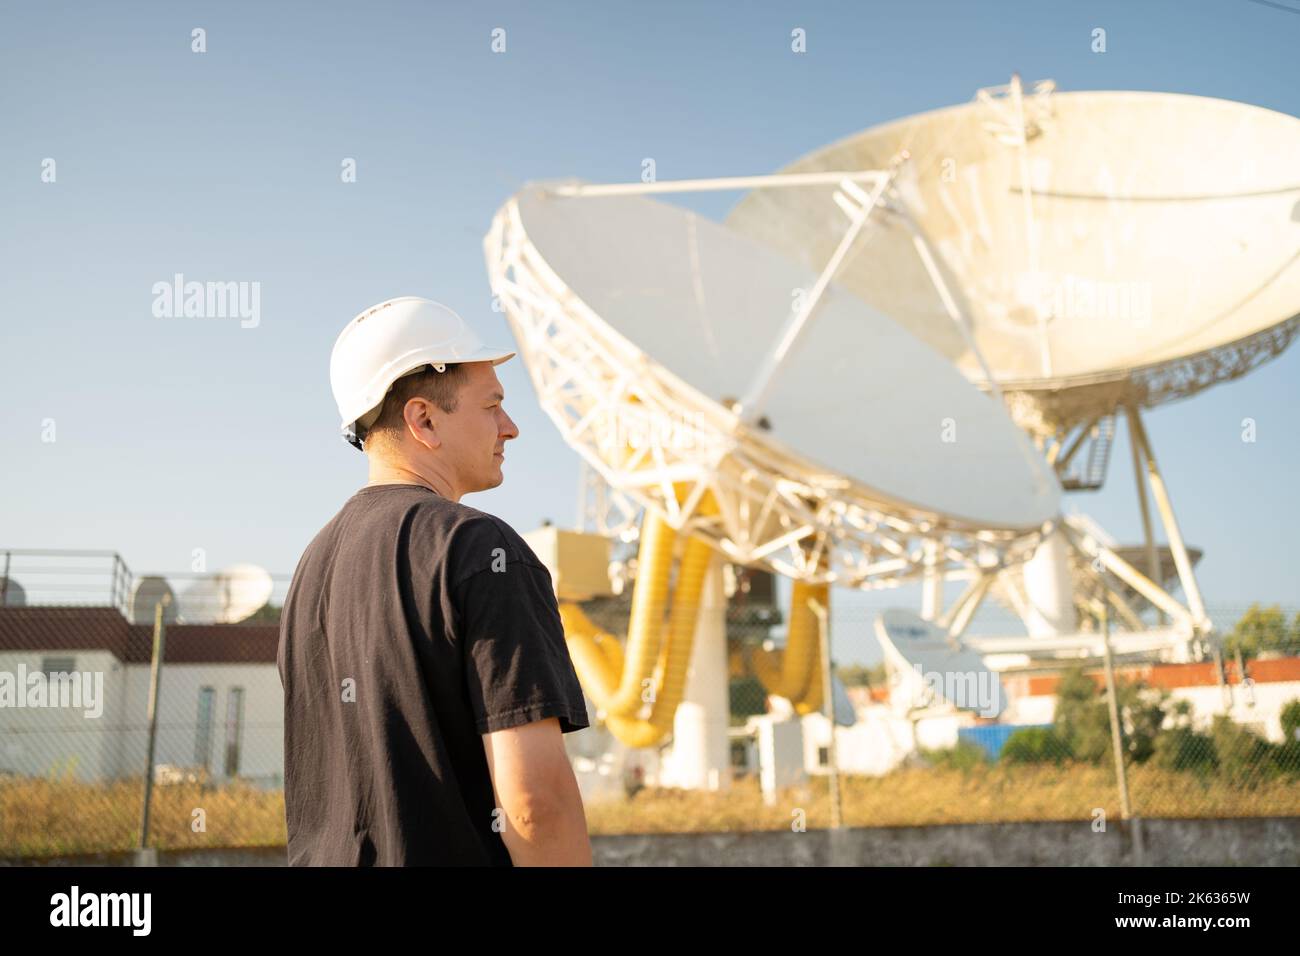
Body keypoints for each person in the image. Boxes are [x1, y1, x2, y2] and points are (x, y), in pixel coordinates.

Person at [277, 296, 593, 866]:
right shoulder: (481, 551)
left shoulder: (310, 569)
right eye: (493, 404)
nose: (511, 426)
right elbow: (534, 805)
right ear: (423, 420)